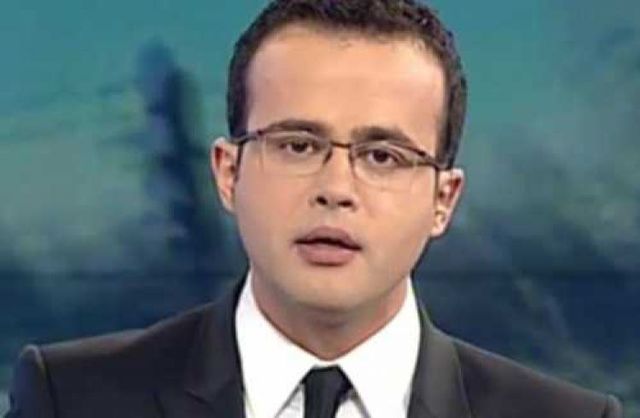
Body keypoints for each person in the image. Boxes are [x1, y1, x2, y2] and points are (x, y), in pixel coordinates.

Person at [5, 1, 623, 417]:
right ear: (227, 172)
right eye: (298, 145)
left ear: (443, 200)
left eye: (382, 156)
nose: (336, 188)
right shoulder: (71, 399)